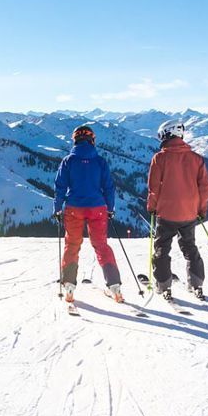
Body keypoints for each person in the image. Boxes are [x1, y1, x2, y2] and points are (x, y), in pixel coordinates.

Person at [53, 125, 123, 303]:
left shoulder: (68, 161)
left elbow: (60, 187)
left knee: (73, 244)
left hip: (74, 207)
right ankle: (114, 286)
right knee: (101, 245)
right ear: (92, 140)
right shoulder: (100, 161)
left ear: (75, 140)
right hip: (97, 208)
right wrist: (110, 208)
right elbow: (109, 187)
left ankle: (69, 285)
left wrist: (57, 208)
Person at [146, 120, 208, 301]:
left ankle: (163, 285)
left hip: (166, 212)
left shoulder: (159, 158)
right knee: (190, 247)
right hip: (189, 212)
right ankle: (196, 283)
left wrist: (151, 207)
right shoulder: (197, 159)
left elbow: (153, 188)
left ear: (166, 134)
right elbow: (204, 188)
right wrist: (201, 210)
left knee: (162, 248)